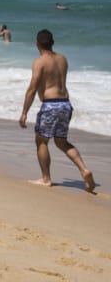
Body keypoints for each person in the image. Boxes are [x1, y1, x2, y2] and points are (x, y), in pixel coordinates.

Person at [19, 29, 95, 193]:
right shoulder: (62, 59)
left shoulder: (39, 62)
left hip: (50, 105)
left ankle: (46, 178)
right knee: (61, 141)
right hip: (65, 104)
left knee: (41, 141)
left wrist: (24, 112)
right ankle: (84, 169)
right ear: (52, 43)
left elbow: (32, 88)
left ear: (37, 44)